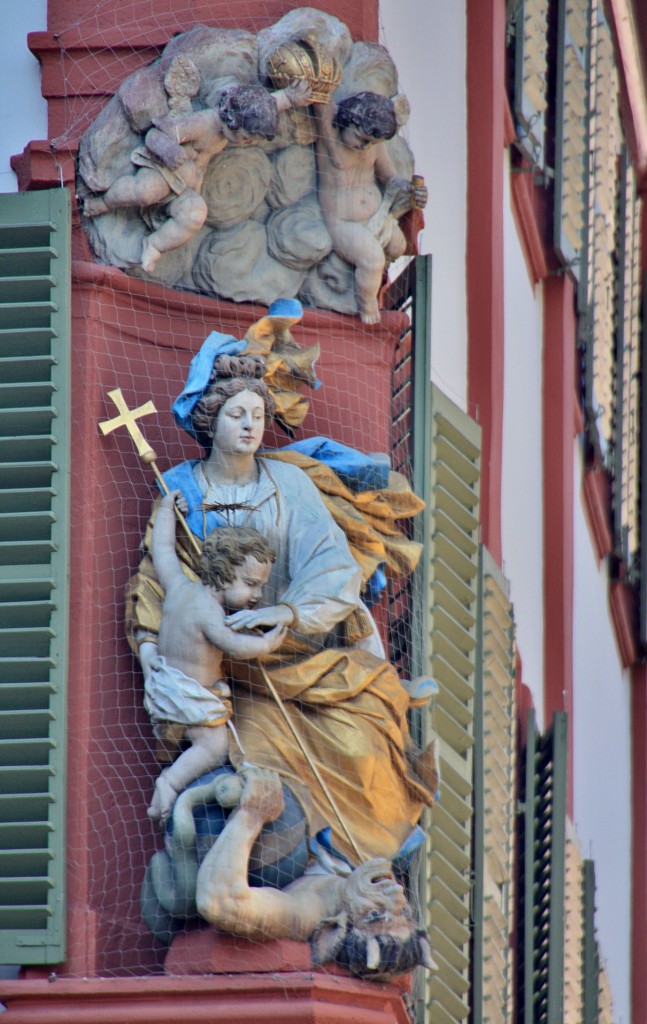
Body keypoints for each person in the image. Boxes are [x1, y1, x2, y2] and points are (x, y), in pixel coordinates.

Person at [127, 338, 437, 869]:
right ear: (210, 420)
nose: (249, 426)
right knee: (255, 762)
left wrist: (288, 611)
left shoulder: (288, 483)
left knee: (365, 740)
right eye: (235, 414)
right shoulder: (180, 491)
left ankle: (377, 843)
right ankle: (320, 859)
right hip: (231, 673)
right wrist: (154, 648)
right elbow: (161, 579)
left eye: (256, 414)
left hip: (300, 649)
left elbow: (331, 563)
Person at [145, 491, 286, 823]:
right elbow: (235, 647)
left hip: (165, 688)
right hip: (188, 700)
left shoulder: (178, 585)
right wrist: (267, 644)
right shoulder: (209, 612)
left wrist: (166, 510)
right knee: (214, 746)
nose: (258, 595)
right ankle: (169, 783)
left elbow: (162, 549)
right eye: (251, 584)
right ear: (224, 573)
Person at [83, 80, 312, 272]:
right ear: (232, 119)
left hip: (185, 187)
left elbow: (263, 105)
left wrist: (289, 98)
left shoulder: (233, 128)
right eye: (244, 138)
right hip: (163, 171)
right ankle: (103, 202)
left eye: (250, 141)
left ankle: (154, 244)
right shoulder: (203, 124)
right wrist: (170, 151)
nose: (245, 144)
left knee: (195, 215)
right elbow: (155, 134)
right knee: (146, 191)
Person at [313, 92, 428, 324]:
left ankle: (367, 278)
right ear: (348, 120)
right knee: (373, 259)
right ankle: (366, 305)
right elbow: (321, 103)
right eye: (361, 138)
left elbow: (390, 178)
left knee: (398, 245)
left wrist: (411, 190)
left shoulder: (372, 147)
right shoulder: (330, 140)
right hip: (342, 223)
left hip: (375, 217)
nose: (364, 146)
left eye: (371, 142)